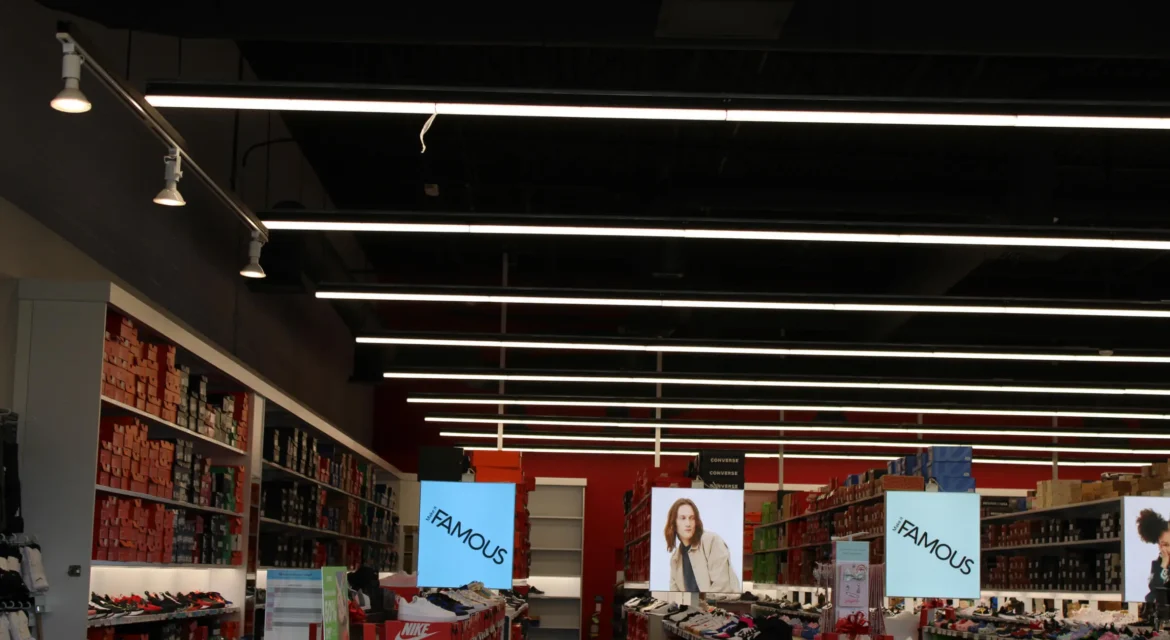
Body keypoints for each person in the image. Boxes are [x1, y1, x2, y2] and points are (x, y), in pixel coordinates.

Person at [664, 497, 741, 593]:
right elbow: (675, 594)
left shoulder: (711, 541)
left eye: (692, 518)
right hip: (695, 603)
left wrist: (699, 602)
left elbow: (721, 587)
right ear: (673, 523)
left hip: (721, 601)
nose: (688, 523)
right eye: (683, 518)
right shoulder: (675, 559)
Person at [1137, 508, 1170, 616]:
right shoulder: (1158, 565)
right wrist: (1164, 565)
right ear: (1159, 545)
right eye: (1165, 544)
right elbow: (1154, 591)